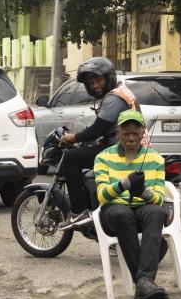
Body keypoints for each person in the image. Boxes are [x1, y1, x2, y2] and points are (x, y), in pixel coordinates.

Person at [94, 110, 169, 299]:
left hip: (144, 208)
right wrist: (124, 184)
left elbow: (159, 199)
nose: (130, 139)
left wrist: (143, 191)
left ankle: (143, 282)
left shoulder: (155, 158)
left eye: (136, 134)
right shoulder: (103, 157)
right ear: (118, 132)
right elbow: (102, 197)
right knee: (121, 213)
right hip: (114, 213)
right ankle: (145, 282)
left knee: (156, 212)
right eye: (126, 133)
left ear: (144, 133)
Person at [58, 57, 139, 229]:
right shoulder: (121, 91)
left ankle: (78, 211)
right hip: (131, 147)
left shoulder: (113, 98)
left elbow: (98, 129)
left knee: (70, 158)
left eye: (98, 80)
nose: (95, 85)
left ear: (108, 77)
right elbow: (108, 127)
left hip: (121, 150)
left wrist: (75, 137)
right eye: (91, 82)